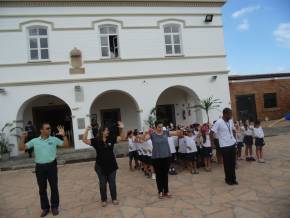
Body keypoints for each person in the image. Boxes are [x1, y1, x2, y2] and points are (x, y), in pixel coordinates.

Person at [19, 123, 69, 217]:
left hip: (52, 166)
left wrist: (64, 135)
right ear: (41, 130)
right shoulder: (35, 141)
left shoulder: (54, 139)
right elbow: (21, 148)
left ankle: (54, 207)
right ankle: (45, 208)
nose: (50, 129)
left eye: (50, 128)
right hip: (40, 167)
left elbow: (66, 145)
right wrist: (22, 138)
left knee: (54, 187)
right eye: (47, 128)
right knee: (42, 189)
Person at [82, 121, 125, 207]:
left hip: (112, 165)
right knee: (102, 183)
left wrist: (121, 128)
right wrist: (86, 130)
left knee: (112, 183)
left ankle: (114, 198)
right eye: (106, 130)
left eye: (108, 130)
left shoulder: (111, 138)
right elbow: (84, 140)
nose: (108, 131)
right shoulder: (96, 140)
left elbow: (121, 137)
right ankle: (104, 199)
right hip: (100, 166)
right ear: (101, 131)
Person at [144, 121, 181, 199]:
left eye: (162, 126)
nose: (161, 128)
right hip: (157, 158)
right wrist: (147, 132)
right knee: (159, 175)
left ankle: (166, 191)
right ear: (155, 127)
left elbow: (176, 133)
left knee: (165, 175)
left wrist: (179, 130)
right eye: (159, 127)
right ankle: (160, 191)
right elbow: (145, 138)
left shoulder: (165, 133)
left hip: (167, 156)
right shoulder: (152, 134)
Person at [210, 108, 238, 186]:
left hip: (232, 143)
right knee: (227, 163)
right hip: (224, 146)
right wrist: (212, 143)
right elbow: (211, 132)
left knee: (233, 162)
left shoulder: (230, 121)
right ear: (225, 114)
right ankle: (228, 179)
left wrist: (235, 139)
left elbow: (233, 130)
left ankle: (233, 179)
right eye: (230, 114)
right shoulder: (219, 122)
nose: (231, 116)